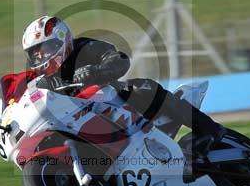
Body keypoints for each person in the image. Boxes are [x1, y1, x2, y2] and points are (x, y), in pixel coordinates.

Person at [22, 15, 226, 177]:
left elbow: (118, 59)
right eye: (35, 53)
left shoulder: (84, 47)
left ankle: (210, 129)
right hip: (83, 121)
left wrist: (96, 71)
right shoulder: (43, 82)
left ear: (61, 39)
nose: (41, 57)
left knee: (145, 88)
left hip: (113, 102)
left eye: (45, 49)